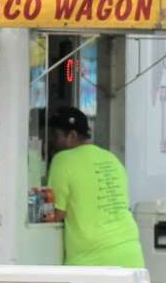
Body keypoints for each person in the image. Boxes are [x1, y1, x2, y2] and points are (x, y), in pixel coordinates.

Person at [45, 106, 144, 268]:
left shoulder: (62, 160)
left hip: (92, 262)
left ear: (72, 136)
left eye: (55, 136)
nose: (52, 142)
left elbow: (56, 214)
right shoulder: (112, 159)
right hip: (131, 255)